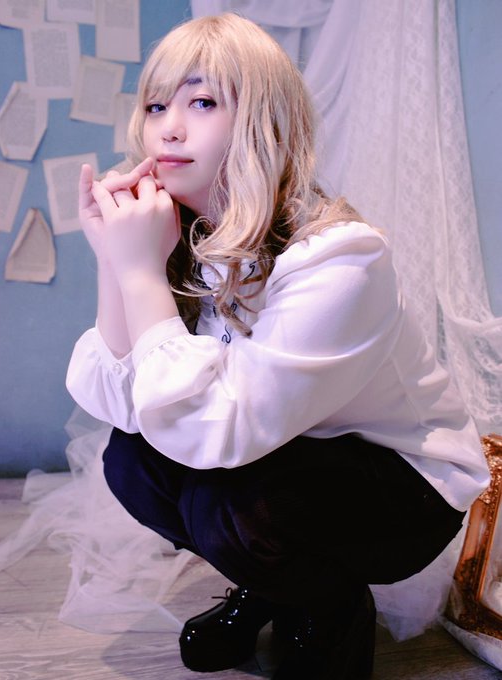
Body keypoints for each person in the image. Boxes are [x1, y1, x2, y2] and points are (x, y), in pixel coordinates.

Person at [66, 12, 490, 680]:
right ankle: (272, 583)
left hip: (405, 484)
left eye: (202, 102)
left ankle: (329, 604)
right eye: (156, 105)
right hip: (284, 448)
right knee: (132, 461)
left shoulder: (339, 257)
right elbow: (123, 403)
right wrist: (116, 261)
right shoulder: (186, 236)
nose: (168, 128)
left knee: (225, 504)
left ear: (263, 120)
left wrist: (140, 273)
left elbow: (221, 428)